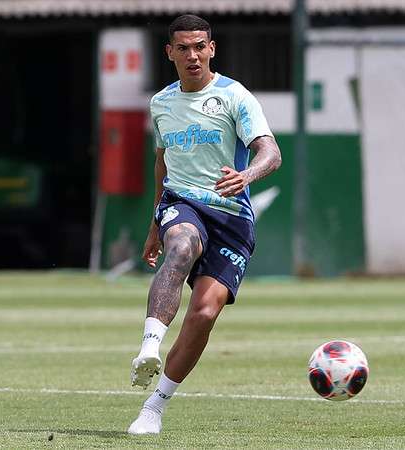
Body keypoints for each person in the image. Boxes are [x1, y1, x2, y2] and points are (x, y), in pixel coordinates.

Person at [127, 14, 282, 435]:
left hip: (232, 218)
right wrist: (154, 225)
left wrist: (246, 176)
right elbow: (161, 163)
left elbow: (270, 152)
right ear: (170, 53)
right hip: (183, 203)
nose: (192, 55)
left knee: (205, 312)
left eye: (200, 46)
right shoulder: (161, 103)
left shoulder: (236, 97)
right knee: (180, 246)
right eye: (184, 48)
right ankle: (149, 346)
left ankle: (154, 406)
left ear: (212, 48)